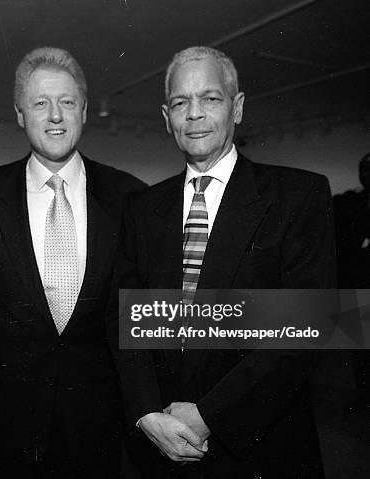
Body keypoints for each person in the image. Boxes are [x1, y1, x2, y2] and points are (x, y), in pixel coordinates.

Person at [109, 46, 336, 478]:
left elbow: (311, 328)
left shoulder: (299, 195)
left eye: (210, 99)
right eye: (180, 102)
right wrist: (144, 414)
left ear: (238, 107)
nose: (194, 114)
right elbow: (122, 319)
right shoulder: (141, 207)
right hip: (159, 443)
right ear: (166, 116)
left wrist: (209, 413)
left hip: (259, 449)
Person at [0, 47, 146, 478]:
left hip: (100, 416)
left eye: (66, 102)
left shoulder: (130, 196)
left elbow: (139, 308)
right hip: (12, 415)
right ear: (21, 114)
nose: (55, 115)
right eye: (40, 103)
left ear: (83, 109)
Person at [333, 152, 370, 413]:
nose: (366, 174)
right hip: (358, 285)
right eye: (363, 169)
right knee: (361, 348)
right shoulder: (353, 202)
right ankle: (364, 395)